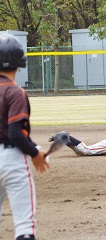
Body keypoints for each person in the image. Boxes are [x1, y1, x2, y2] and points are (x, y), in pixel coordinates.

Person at [0, 34, 49, 240]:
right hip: (11, 161)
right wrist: (35, 152)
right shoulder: (15, 92)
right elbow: (15, 133)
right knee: (24, 226)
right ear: (19, 61)